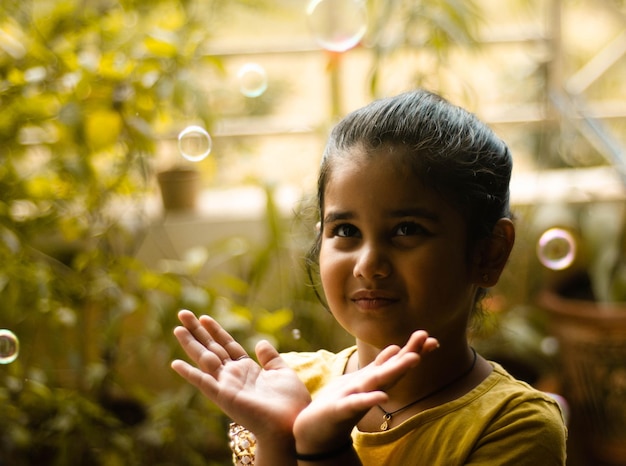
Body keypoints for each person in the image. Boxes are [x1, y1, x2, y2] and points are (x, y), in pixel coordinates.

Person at [171, 89, 568, 465]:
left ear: (489, 252)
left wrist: (322, 450)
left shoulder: (514, 426)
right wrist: (277, 438)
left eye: (407, 230)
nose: (368, 264)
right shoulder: (287, 389)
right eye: (345, 231)